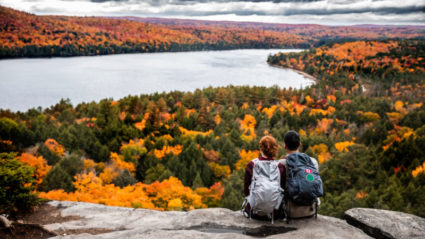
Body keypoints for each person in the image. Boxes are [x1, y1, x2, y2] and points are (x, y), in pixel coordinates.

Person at [280, 130, 321, 220]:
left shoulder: (281, 163)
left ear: (285, 146)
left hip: (290, 212)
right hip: (311, 210)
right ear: (300, 144)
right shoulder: (312, 161)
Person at [243, 135, 285, 220]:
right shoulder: (280, 166)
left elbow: (246, 190)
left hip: (254, 212)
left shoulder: (252, 165)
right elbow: (283, 188)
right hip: (274, 213)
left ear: (261, 148)